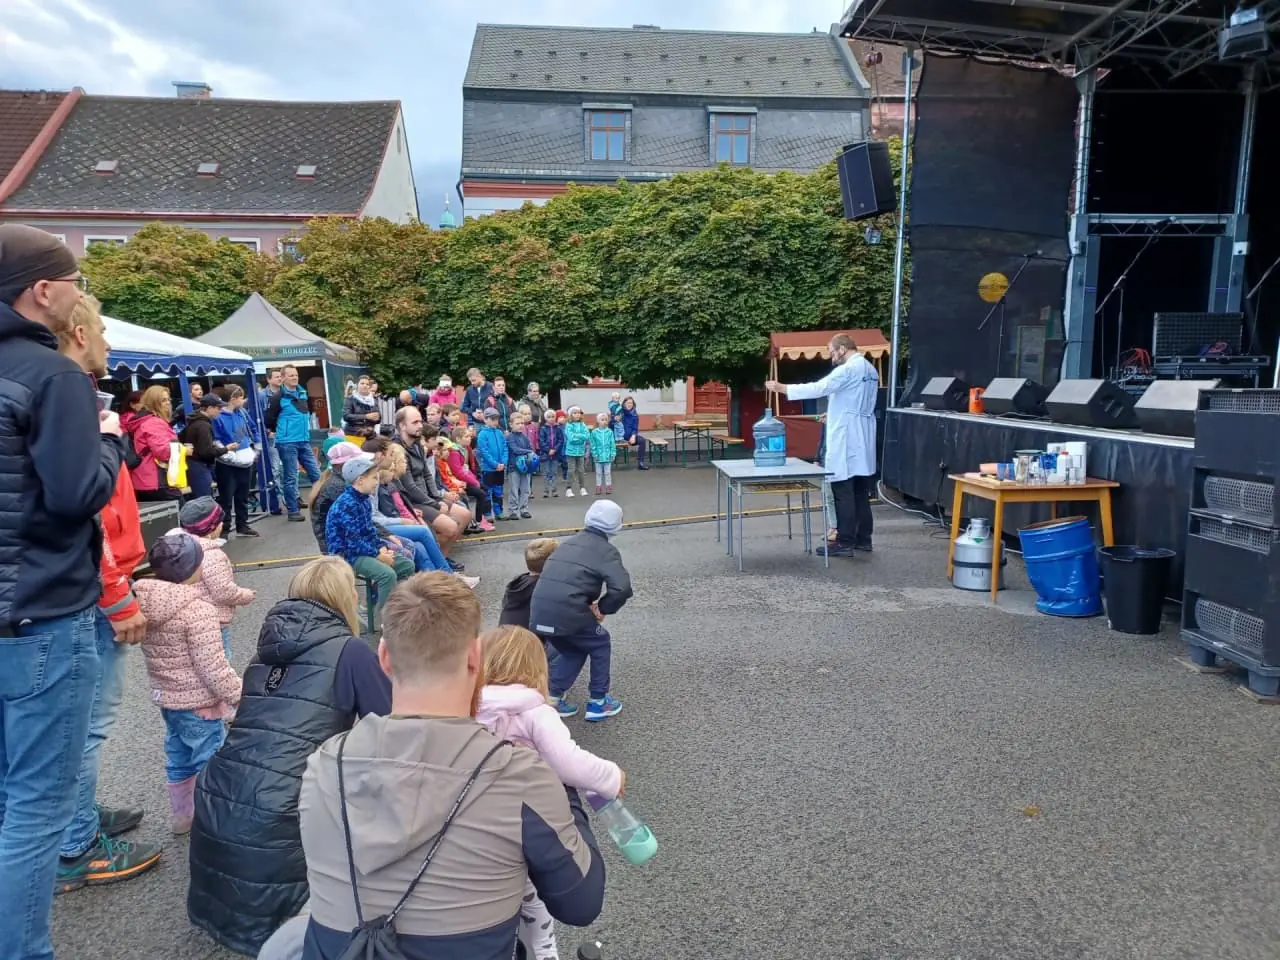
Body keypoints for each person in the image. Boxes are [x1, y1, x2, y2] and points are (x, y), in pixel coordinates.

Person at [292, 572, 605, 959]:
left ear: (385, 657)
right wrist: (566, 790)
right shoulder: (520, 777)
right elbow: (581, 904)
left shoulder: (323, 765)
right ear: (476, 657)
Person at [0, 224, 128, 959]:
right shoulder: (52, 377)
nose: (81, 293)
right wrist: (107, 437)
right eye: (75, 280)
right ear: (44, 292)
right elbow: (79, 493)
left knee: (7, 798)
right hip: (43, 613)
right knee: (38, 807)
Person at [187, 556, 392, 957]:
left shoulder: (265, 652)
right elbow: (393, 727)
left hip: (221, 799)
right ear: (343, 597)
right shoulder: (349, 650)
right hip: (286, 810)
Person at [52, 293, 163, 894]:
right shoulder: (65, 400)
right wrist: (116, 593)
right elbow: (81, 514)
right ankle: (76, 845)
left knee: (78, 725)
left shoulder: (76, 398)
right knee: (84, 726)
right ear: (75, 332)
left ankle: (77, 819)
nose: (110, 343)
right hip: (92, 590)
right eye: (101, 330)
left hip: (95, 581)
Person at [476, 625, 624, 960]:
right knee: (535, 905)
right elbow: (568, 763)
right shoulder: (536, 712)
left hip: (480, 818)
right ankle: (542, 952)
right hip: (528, 820)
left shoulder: (469, 707)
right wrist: (612, 777)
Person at [134, 533, 243, 834]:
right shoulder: (198, 611)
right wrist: (239, 696)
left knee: (179, 756)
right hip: (200, 705)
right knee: (212, 760)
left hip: (168, 700)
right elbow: (213, 666)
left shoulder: (148, 604)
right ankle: (217, 823)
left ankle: (183, 817)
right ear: (194, 568)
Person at [766, 333, 879, 557]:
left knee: (842, 488)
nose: (831, 356)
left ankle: (845, 541)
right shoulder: (870, 370)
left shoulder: (847, 369)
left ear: (843, 348)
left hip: (847, 433)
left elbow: (820, 388)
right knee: (859, 490)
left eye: (832, 351)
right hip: (862, 429)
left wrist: (782, 388)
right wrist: (836, 412)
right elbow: (852, 399)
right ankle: (863, 538)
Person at [530, 501, 632, 721]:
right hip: (568, 611)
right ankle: (598, 701)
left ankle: (553, 698)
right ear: (615, 524)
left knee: (573, 649)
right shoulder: (606, 551)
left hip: (539, 612)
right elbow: (622, 588)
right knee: (600, 642)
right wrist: (603, 607)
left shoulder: (568, 543)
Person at [324, 457, 415, 617]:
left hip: (362, 549)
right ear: (360, 480)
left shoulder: (363, 500)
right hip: (346, 555)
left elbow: (369, 530)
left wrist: (381, 547)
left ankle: (371, 603)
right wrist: (378, 555)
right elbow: (353, 543)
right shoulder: (347, 504)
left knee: (406, 565)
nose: (376, 482)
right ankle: (385, 618)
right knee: (387, 575)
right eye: (373, 478)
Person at [177, 498, 256, 656]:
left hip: (186, 619)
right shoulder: (212, 555)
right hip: (212, 622)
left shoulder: (178, 549)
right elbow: (223, 591)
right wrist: (245, 595)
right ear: (212, 527)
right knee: (219, 660)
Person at [393, 406, 470, 555]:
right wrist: (434, 503)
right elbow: (409, 487)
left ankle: (443, 558)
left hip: (426, 497)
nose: (420, 426)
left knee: (465, 515)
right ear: (402, 426)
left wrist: (437, 496)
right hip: (411, 501)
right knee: (451, 526)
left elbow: (427, 475)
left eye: (420, 422)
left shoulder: (416, 445)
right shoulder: (397, 450)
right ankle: (437, 563)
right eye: (415, 422)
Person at [268, 365, 323, 523]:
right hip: (287, 442)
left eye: (296, 375)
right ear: (283, 378)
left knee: (316, 474)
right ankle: (293, 510)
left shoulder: (303, 393)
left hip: (303, 440)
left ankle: (321, 504)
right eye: (291, 375)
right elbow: (269, 418)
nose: (295, 377)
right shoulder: (277, 397)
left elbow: (308, 412)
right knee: (291, 477)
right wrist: (276, 431)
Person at [212, 384, 262, 538]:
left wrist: (256, 448)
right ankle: (225, 530)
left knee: (242, 495)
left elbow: (253, 429)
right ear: (233, 399)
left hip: (245, 461)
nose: (243, 400)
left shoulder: (242, 413)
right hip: (227, 464)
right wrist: (227, 454)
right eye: (241, 397)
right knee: (226, 498)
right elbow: (216, 439)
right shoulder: (218, 417)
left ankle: (243, 525)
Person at [127, 385, 183, 501]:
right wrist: (182, 449)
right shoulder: (154, 422)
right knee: (182, 516)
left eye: (168, 399)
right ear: (153, 403)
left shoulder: (142, 421)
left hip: (142, 480)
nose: (168, 403)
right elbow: (163, 452)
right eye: (163, 400)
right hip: (157, 481)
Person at [309, 441, 363, 554]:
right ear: (345, 464)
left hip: (340, 539)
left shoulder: (339, 480)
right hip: (336, 546)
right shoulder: (337, 486)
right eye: (358, 462)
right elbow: (354, 522)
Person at [500, 538, 559, 630]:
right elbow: (548, 629)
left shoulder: (517, 584)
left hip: (507, 636)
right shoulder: (545, 591)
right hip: (529, 639)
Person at [444, 427, 495, 530]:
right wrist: (474, 482)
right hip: (458, 482)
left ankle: (482, 517)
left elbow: (466, 469)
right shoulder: (454, 452)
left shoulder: (465, 449)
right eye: (466, 437)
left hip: (464, 480)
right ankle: (479, 521)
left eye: (470, 436)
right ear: (458, 439)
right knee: (481, 494)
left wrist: (475, 480)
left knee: (484, 489)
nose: (469, 439)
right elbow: (458, 472)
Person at [181, 393, 230, 499]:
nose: (220, 410)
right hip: (199, 466)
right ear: (209, 408)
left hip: (195, 465)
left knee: (202, 500)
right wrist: (226, 449)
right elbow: (206, 452)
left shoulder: (195, 422)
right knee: (204, 501)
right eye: (218, 407)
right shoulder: (203, 426)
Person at [260, 367, 286, 514]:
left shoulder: (287, 394)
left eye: (280, 376)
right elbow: (257, 415)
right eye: (276, 377)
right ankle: (276, 501)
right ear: (268, 379)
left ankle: (290, 500)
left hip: (287, 436)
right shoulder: (262, 395)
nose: (279, 379)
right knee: (275, 469)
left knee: (288, 470)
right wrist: (267, 431)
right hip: (272, 437)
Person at [476, 407, 509, 517]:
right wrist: (495, 464)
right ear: (485, 419)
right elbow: (484, 452)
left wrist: (503, 462)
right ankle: (487, 513)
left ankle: (499, 511)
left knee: (498, 491)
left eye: (496, 419)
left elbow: (505, 448)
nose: (495, 421)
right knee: (487, 491)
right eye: (492, 419)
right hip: (488, 468)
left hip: (500, 467)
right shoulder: (482, 434)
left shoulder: (500, 433)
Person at [504, 412, 535, 521]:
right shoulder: (510, 437)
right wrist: (529, 452)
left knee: (526, 489)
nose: (520, 425)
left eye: (522, 423)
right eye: (517, 423)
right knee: (514, 489)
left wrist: (530, 452)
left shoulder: (525, 437)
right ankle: (513, 510)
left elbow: (531, 448)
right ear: (511, 424)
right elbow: (515, 450)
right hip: (514, 468)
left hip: (526, 467)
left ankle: (524, 509)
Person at [342, 375, 381, 443]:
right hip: (353, 434)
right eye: (362, 383)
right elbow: (346, 416)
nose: (365, 385)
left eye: (367, 384)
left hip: (369, 435)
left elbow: (379, 419)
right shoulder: (350, 399)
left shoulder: (374, 400)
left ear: (369, 387)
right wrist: (366, 417)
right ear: (357, 385)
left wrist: (377, 418)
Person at [563, 406, 590, 498]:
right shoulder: (569, 425)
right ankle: (568, 488)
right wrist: (580, 437)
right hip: (571, 451)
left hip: (581, 451)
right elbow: (571, 438)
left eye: (578, 412)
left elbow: (587, 436)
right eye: (574, 413)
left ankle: (582, 488)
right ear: (570, 415)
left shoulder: (583, 424)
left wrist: (577, 436)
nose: (577, 414)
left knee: (581, 470)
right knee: (571, 470)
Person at [537, 409, 564, 497]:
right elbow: (541, 441)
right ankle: (546, 490)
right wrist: (548, 450)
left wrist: (555, 449)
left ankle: (554, 489)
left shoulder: (558, 428)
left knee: (554, 472)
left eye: (553, 417)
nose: (551, 419)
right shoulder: (543, 429)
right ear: (546, 418)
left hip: (555, 455)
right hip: (546, 455)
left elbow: (561, 440)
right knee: (546, 472)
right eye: (549, 417)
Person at [589, 412, 618, 496]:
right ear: (598, 421)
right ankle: (598, 487)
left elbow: (612, 443)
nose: (604, 421)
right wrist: (594, 454)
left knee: (607, 472)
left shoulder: (609, 432)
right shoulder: (594, 432)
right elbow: (593, 444)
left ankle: (608, 486)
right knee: (598, 473)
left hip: (607, 456)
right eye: (602, 420)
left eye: (606, 419)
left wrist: (613, 453)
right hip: (598, 456)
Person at [619, 395, 650, 471]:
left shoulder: (634, 415)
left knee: (642, 440)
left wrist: (633, 436)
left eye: (631, 403)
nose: (629, 404)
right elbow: (611, 424)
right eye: (628, 403)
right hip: (619, 436)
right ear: (624, 404)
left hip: (630, 437)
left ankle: (640, 463)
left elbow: (635, 428)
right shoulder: (620, 412)